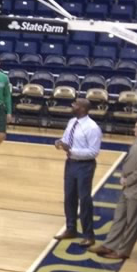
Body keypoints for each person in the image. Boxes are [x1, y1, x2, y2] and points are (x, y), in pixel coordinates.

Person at [94, 118, 137, 260]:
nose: (134, 129)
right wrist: (124, 176)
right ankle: (109, 245)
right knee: (119, 217)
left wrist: (127, 180)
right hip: (128, 186)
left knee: (132, 222)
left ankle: (123, 251)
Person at [56, 97, 103, 246]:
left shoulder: (92, 128)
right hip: (70, 163)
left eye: (75, 104)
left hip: (85, 166)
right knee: (69, 197)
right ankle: (71, 229)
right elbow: (66, 139)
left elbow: (93, 152)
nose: (72, 105)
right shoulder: (72, 122)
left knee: (84, 200)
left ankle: (89, 235)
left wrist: (72, 151)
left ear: (82, 108)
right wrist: (60, 142)